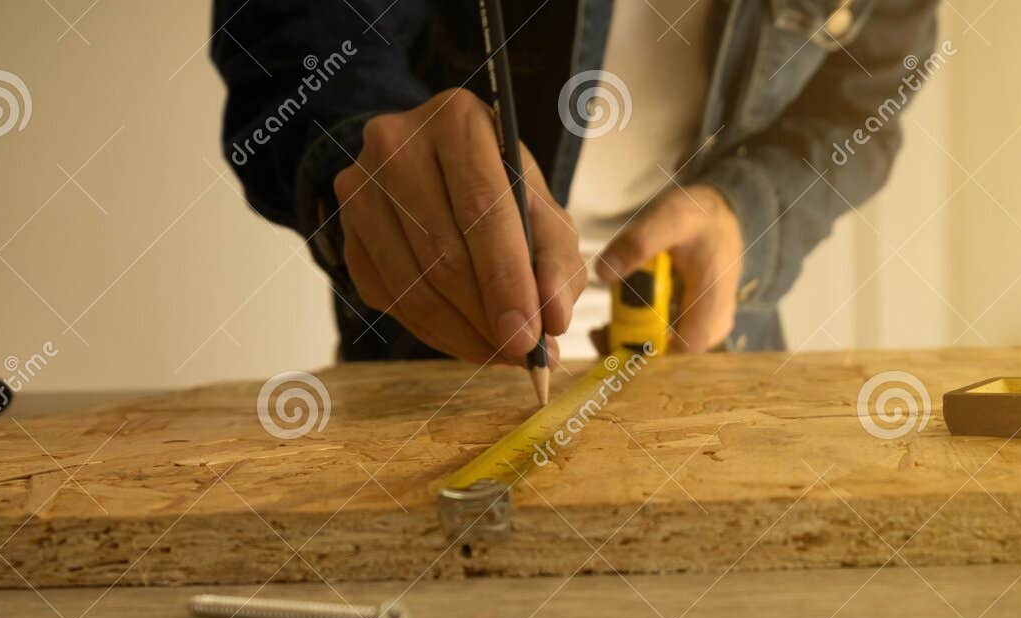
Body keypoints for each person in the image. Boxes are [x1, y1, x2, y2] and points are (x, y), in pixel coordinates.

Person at [212, 1, 940, 368]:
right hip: (423, 367)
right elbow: (294, 44)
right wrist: (355, 150)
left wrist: (748, 212)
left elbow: (869, 100)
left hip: (715, 359)